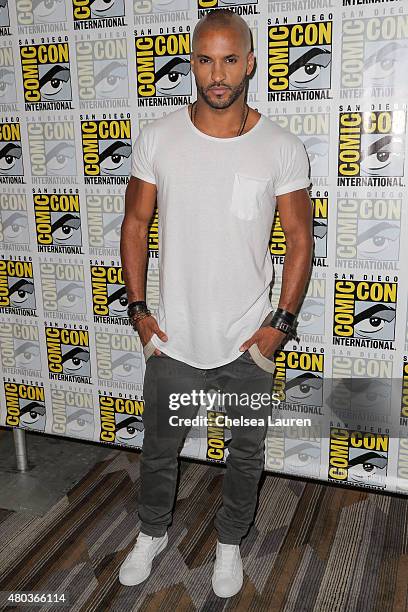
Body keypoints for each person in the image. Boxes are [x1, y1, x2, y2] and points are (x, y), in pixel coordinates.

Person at [119, 9, 313, 599]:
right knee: (158, 450)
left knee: (245, 454)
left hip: (245, 337)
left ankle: (230, 545)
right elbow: (134, 222)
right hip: (174, 334)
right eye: (206, 59)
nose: (218, 73)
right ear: (192, 61)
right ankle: (151, 533)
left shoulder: (280, 145)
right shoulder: (158, 137)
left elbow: (302, 240)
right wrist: (140, 314)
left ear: (250, 62)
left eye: (231, 59)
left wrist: (279, 325)